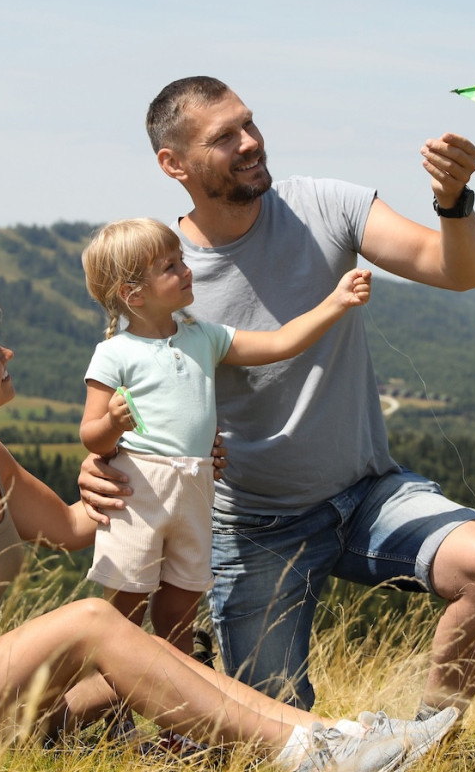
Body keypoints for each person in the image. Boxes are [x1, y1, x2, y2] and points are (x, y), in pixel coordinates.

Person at [0, 289, 458, 771]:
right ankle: (309, 756)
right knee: (92, 622)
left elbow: (73, 527)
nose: (10, 356)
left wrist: (158, 465)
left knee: (144, 662)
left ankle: (337, 737)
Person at [79, 77, 475, 717]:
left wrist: (452, 202)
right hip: (252, 526)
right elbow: (132, 395)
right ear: (173, 164)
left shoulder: (324, 204)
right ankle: (52, 711)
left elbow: (460, 272)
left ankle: (430, 746)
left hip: (368, 492)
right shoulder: (165, 276)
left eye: (250, 124)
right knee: (270, 727)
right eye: (224, 137)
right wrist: (98, 460)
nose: (251, 143)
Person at [79, 217, 372, 655]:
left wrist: (336, 302)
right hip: (136, 492)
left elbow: (280, 344)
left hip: (196, 489)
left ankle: (177, 713)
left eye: (181, 260)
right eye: (170, 266)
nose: (186, 271)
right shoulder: (114, 354)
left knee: (179, 608)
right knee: (125, 607)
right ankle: (108, 705)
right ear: (133, 295)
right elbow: (92, 436)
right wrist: (113, 424)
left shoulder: (204, 337)